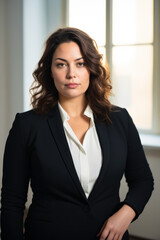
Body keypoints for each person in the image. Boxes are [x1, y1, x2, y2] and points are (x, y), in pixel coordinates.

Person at [1, 27, 154, 240]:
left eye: (80, 64)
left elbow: (143, 181)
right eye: (61, 64)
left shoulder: (120, 119)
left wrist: (127, 213)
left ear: (91, 68)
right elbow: (12, 201)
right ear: (50, 71)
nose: (71, 73)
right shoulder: (27, 126)